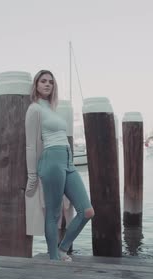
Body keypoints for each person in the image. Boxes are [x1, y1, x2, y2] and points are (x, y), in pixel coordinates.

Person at [25, 69, 95, 261]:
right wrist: (32, 175)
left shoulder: (52, 108)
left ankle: (63, 248)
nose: (47, 84)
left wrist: (69, 159)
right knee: (54, 214)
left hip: (67, 160)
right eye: (43, 81)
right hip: (51, 160)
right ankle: (54, 258)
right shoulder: (35, 109)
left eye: (51, 82)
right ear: (36, 85)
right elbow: (31, 145)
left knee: (87, 211)